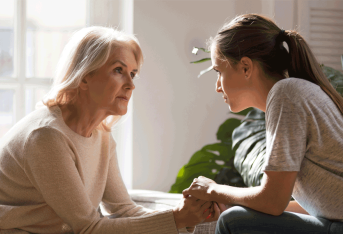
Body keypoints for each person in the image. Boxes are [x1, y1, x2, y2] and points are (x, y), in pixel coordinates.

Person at [0, 26, 221, 234]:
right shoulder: (46, 136)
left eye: (132, 74)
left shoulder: (101, 135)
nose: (130, 84)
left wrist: (190, 217)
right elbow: (88, 228)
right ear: (84, 76)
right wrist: (177, 218)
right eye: (118, 70)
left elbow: (124, 209)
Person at [182, 14, 343, 234]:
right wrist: (237, 202)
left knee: (233, 221)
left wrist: (214, 190)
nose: (217, 87)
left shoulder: (285, 95)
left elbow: (273, 201)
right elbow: (314, 207)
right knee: (236, 215)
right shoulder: (296, 92)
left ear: (246, 67)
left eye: (219, 72)